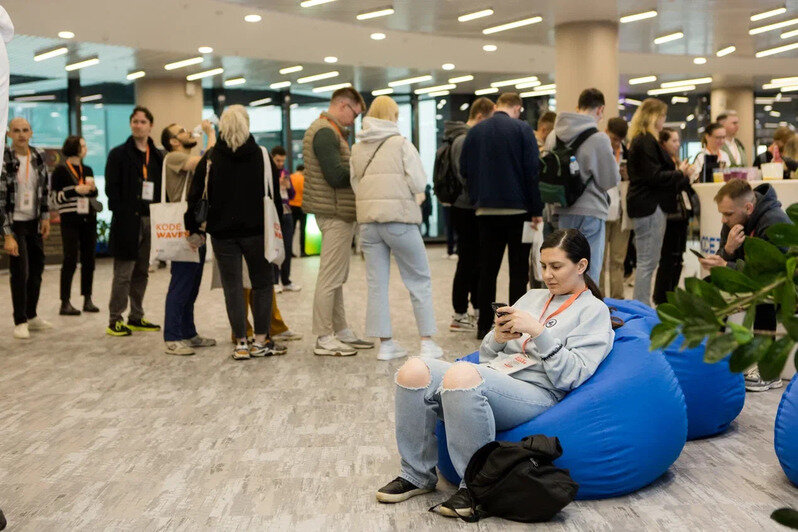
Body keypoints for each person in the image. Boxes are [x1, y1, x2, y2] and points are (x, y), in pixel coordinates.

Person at [376, 229, 613, 517]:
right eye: (543, 266)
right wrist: (497, 337)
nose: (548, 275)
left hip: (539, 391)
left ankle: (476, 489)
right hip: (498, 375)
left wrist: (538, 332)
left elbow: (572, 376)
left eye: (556, 266)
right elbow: (488, 356)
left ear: (582, 266)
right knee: (413, 370)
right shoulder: (533, 297)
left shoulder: (594, 311)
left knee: (462, 375)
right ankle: (416, 474)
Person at [186, 105, 284, 360]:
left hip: (222, 234)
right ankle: (261, 341)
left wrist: (193, 227)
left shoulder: (210, 158)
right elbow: (273, 195)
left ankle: (241, 342)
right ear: (246, 125)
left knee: (232, 286)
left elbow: (195, 195)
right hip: (257, 232)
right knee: (262, 284)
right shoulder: (262, 155)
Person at [350, 95, 443, 361]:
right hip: (399, 220)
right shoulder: (401, 144)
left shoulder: (357, 147)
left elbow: (356, 185)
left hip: (368, 223)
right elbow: (418, 183)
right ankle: (427, 344)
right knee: (418, 280)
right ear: (392, 116)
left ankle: (386, 345)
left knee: (376, 284)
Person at [460, 92, 543, 339]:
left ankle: (484, 325)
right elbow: (532, 171)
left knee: (488, 270)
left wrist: (478, 195)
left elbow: (464, 169)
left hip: (485, 210)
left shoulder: (475, 131)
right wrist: (536, 209)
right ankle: (515, 325)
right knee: (518, 272)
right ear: (517, 108)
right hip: (519, 211)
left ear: (497, 107)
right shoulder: (523, 129)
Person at [302, 86, 375, 356]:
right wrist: (361, 169)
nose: (354, 120)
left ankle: (340, 329)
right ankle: (323, 336)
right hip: (334, 212)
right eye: (355, 113)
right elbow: (335, 175)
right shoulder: (325, 132)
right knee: (330, 278)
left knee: (336, 276)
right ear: (343, 106)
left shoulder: (330, 131)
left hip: (337, 212)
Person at [698, 179, 790, 392]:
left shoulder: (775, 222)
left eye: (728, 214)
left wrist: (728, 264)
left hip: (786, 286)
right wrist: (727, 251)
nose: (723, 219)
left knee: (764, 293)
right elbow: (724, 265)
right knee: (710, 286)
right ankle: (716, 356)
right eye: (722, 213)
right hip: (752, 279)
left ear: (748, 208)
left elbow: (773, 273)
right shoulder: (732, 222)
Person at [545, 88, 620, 283]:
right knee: (588, 271)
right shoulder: (599, 138)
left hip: (560, 210)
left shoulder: (554, 135)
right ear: (600, 109)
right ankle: (587, 312)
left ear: (579, 106)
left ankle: (565, 312)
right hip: (590, 212)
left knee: (564, 271)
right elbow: (609, 180)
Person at [158, 119, 217, 355]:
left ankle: (188, 332)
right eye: (181, 131)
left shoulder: (182, 157)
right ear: (173, 142)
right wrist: (210, 133)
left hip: (196, 226)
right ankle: (172, 337)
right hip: (182, 228)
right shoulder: (173, 158)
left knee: (192, 285)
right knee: (181, 283)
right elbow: (206, 163)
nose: (187, 132)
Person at [105, 106, 163, 336]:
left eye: (143, 122)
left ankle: (136, 316)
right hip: (127, 221)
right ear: (131, 124)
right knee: (123, 273)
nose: (138, 125)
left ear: (150, 126)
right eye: (135, 121)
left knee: (142, 271)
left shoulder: (158, 156)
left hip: (151, 218)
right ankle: (115, 319)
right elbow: (112, 189)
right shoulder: (118, 154)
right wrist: (123, 211)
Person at [626, 98, 690, 306]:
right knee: (647, 262)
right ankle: (641, 307)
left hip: (647, 205)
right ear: (655, 116)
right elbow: (653, 176)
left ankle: (642, 305)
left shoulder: (642, 139)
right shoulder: (645, 141)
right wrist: (680, 173)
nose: (663, 121)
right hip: (650, 205)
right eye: (662, 116)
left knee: (647, 261)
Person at [444, 96, 495, 332]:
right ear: (481, 116)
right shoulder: (464, 139)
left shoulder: (461, 137)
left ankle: (472, 309)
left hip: (465, 206)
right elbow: (465, 175)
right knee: (467, 261)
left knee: (475, 260)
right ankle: (459, 313)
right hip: (465, 208)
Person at [1, 117, 52, 339]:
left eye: (25, 130)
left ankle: (32, 315)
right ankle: (20, 320)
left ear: (31, 133)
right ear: (9, 134)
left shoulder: (39, 156)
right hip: (14, 223)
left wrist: (46, 217)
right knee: (20, 272)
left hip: (34, 221)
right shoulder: (4, 158)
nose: (21, 134)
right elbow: (0, 199)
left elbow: (45, 189)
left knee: (38, 268)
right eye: (16, 131)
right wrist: (7, 234)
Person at [51, 135, 99, 316]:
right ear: (74, 148)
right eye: (83, 145)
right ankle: (65, 302)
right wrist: (75, 190)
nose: (85, 148)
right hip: (70, 219)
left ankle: (88, 298)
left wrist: (93, 190)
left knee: (89, 259)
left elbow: (94, 195)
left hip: (89, 218)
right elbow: (55, 198)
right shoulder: (60, 171)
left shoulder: (87, 169)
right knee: (70, 259)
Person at [653, 127, 695, 304]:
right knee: (669, 257)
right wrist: (682, 175)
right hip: (669, 215)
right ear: (664, 143)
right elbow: (668, 186)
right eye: (674, 141)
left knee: (679, 257)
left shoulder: (676, 161)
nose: (677, 145)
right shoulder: (663, 164)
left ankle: (672, 292)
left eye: (678, 141)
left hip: (682, 215)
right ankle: (662, 296)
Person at [601, 117, 630, 299]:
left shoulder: (626, 152)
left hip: (621, 211)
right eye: (613, 138)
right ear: (606, 131)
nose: (616, 143)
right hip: (602, 211)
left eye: (619, 140)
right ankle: (599, 299)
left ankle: (617, 300)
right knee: (600, 260)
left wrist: (627, 175)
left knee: (618, 260)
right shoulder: (599, 149)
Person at [270, 145, 300, 293]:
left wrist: (288, 186)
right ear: (272, 158)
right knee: (275, 247)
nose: (280, 163)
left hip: (287, 213)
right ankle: (274, 281)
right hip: (274, 214)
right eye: (278, 160)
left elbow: (293, 195)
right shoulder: (268, 173)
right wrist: (277, 184)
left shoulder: (286, 173)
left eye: (283, 161)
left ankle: (286, 280)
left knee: (288, 248)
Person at [289, 164, 307, 257]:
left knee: (291, 230)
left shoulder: (290, 177)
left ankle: (290, 252)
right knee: (302, 230)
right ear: (303, 170)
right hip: (302, 206)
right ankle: (302, 251)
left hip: (291, 206)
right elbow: (305, 191)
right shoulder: (304, 179)